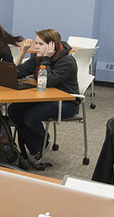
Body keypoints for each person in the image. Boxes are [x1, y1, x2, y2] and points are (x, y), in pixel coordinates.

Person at [9, 29, 79, 167]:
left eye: (40, 44)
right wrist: (5, 72)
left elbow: (47, 80)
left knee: (30, 116)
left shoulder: (67, 61)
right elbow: (20, 71)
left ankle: (41, 144)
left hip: (66, 102)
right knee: (14, 110)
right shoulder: (38, 57)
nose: (36, 47)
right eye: (36, 43)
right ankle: (35, 146)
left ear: (51, 46)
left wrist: (46, 59)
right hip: (44, 98)